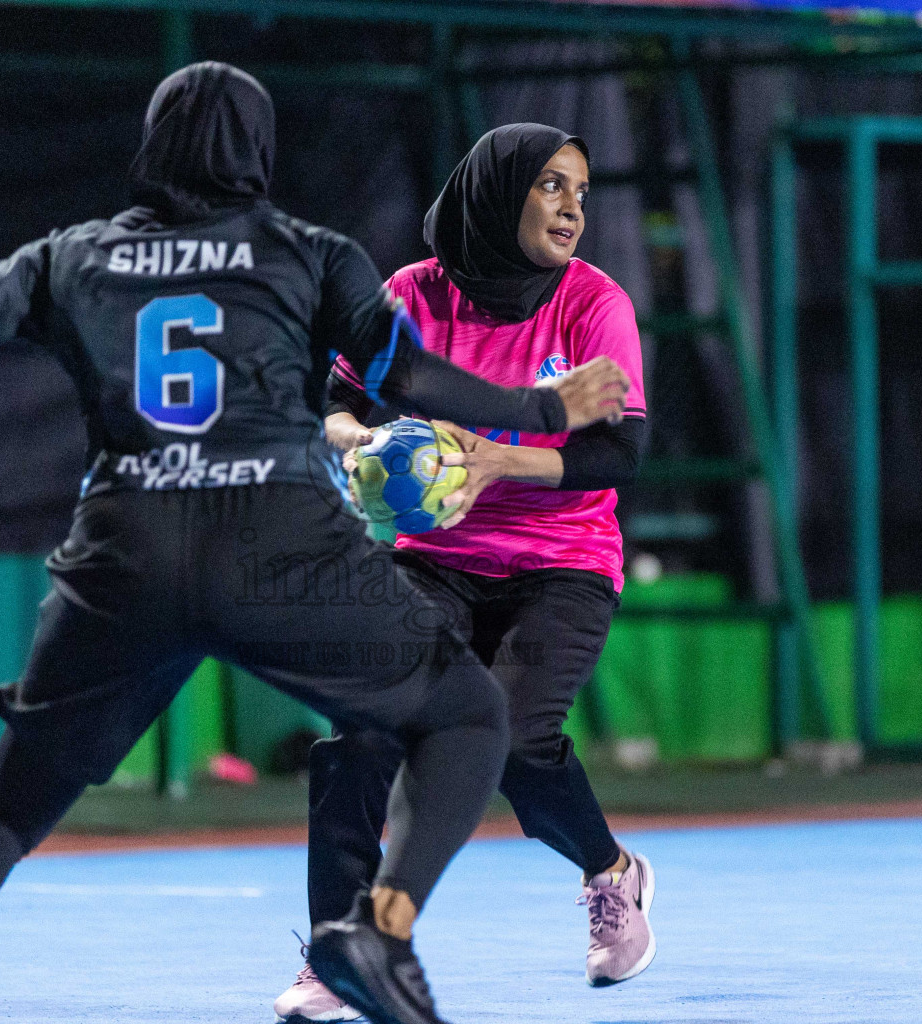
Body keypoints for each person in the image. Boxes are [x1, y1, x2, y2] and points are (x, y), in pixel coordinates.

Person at [0, 64, 629, 1024]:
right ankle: (378, 931)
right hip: (280, 551)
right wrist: (540, 407)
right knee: (470, 717)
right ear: (259, 151)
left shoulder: (70, 257)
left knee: (2, 811)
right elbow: (416, 380)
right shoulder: (307, 253)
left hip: (124, 558)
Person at [272, 124, 652, 1024]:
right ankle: (342, 949)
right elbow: (331, 405)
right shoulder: (409, 295)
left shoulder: (594, 306)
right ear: (496, 191)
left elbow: (620, 451)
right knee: (363, 726)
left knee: (514, 743)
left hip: (560, 561)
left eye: (582, 194)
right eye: (553, 187)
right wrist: (362, 441)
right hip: (431, 556)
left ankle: (612, 874)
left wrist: (491, 461)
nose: (573, 209)